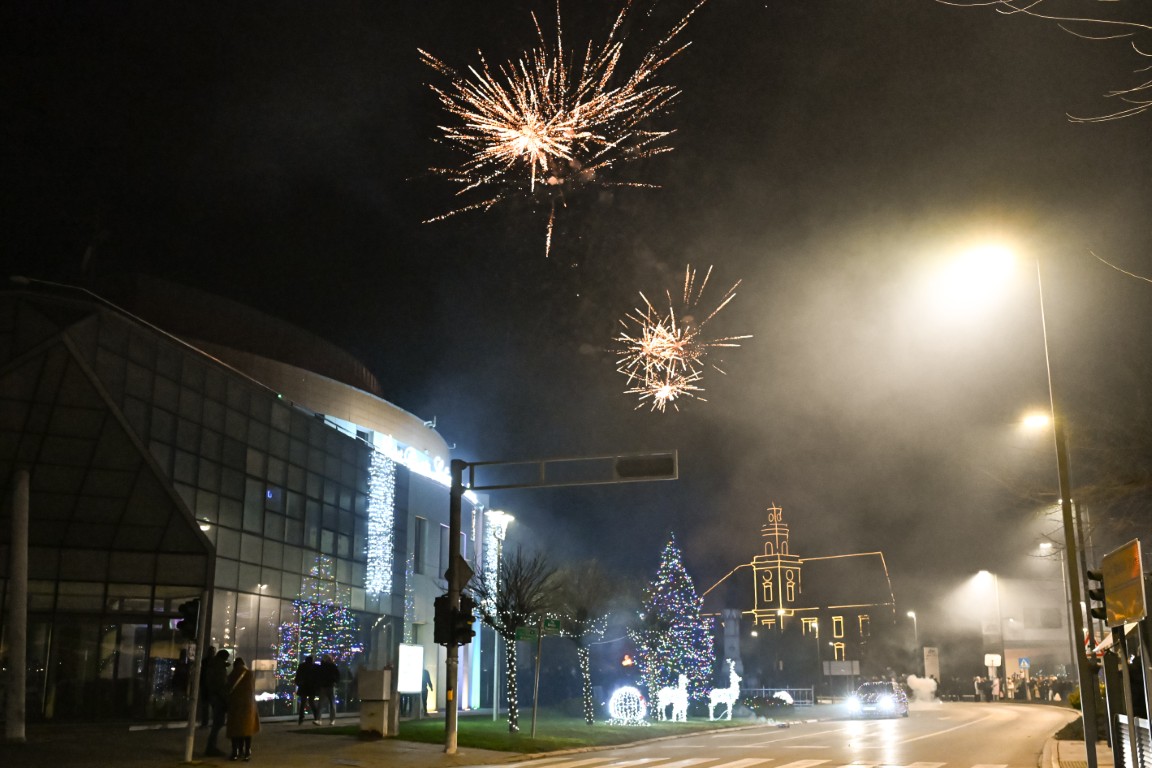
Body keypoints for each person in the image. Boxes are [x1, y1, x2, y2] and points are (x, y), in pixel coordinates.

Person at [226, 657, 260, 762]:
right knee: (246, 729)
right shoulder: (249, 674)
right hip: (248, 706)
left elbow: (227, 688)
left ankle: (235, 752)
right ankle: (247, 752)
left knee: (235, 729)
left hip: (235, 705)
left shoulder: (232, 675)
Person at [203, 649, 231, 757]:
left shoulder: (214, 665)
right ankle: (211, 747)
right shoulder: (218, 668)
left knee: (218, 722)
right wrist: (226, 699)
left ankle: (211, 746)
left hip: (214, 696)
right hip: (218, 698)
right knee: (218, 722)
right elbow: (220, 685)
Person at [294, 655, 320, 725]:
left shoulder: (302, 666)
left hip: (304, 686)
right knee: (311, 702)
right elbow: (318, 677)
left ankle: (301, 718)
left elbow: (298, 675)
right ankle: (316, 717)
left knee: (303, 702)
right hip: (311, 687)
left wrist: (298, 683)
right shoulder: (316, 667)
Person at [318, 654, 340, 725]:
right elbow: (337, 675)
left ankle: (319, 719)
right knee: (332, 703)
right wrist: (334, 681)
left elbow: (319, 676)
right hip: (330, 685)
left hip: (324, 686)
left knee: (321, 704)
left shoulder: (322, 666)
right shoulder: (332, 666)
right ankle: (332, 720)